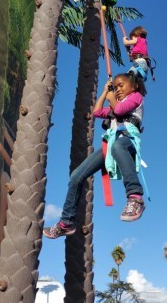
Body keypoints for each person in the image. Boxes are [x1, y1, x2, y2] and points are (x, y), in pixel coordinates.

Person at [43, 72, 147, 239]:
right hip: (111, 143)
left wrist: (112, 98)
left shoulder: (136, 97)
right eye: (116, 86)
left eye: (121, 85)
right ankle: (66, 222)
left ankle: (135, 197)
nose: (118, 89)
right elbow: (97, 112)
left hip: (128, 139)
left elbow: (120, 110)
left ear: (133, 86)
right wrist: (106, 92)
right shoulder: (114, 102)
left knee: (119, 147)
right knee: (76, 176)